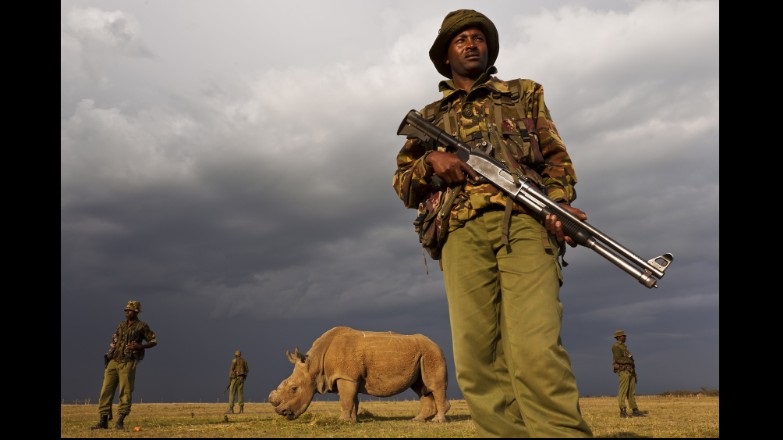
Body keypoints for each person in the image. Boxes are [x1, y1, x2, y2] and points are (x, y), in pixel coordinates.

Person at [392, 9, 592, 437]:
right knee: (476, 359)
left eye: (478, 37)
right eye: (460, 39)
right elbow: (403, 185)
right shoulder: (429, 116)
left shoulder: (524, 94)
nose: (471, 43)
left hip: (524, 223)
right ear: (446, 55)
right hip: (459, 232)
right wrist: (430, 161)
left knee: (536, 349)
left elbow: (558, 163)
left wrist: (557, 207)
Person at [91, 300, 158, 430]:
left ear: (136, 311)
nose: (127, 312)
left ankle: (120, 421)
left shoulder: (142, 326)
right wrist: (109, 355)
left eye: (130, 310)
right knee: (105, 391)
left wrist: (140, 346)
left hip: (128, 362)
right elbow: (114, 341)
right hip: (113, 361)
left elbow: (153, 340)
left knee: (125, 392)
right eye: (126, 310)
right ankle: (103, 421)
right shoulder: (121, 325)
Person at [611, 330, 644, 418]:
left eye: (624, 336)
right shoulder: (616, 346)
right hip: (624, 371)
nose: (625, 337)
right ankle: (623, 411)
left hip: (630, 370)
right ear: (618, 337)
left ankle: (635, 410)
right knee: (623, 391)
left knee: (631, 392)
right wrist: (629, 361)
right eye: (623, 336)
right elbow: (618, 359)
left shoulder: (624, 347)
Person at [225, 349, 249, 414]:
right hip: (241, 379)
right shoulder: (244, 361)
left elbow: (231, 371)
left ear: (235, 355)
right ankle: (241, 409)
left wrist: (230, 380)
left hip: (235, 379)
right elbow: (247, 370)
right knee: (240, 393)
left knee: (232, 393)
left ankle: (231, 409)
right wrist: (243, 376)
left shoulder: (234, 360)